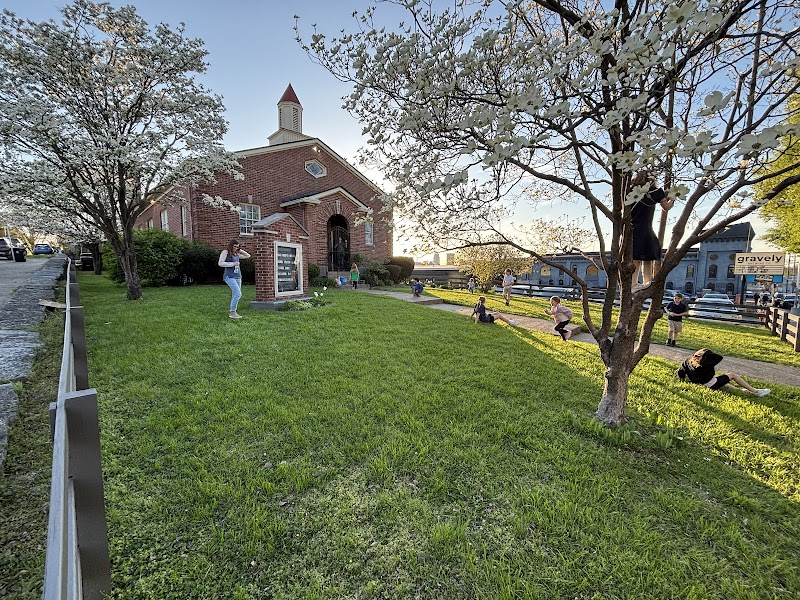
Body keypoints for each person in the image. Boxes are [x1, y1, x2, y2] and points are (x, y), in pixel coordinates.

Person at [629, 171, 674, 291]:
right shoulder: (655, 191)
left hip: (632, 227)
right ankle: (645, 282)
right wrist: (673, 197)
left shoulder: (630, 191)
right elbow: (667, 207)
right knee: (646, 256)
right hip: (646, 227)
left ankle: (636, 283)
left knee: (638, 257)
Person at [677, 348, 770, 396]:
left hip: (698, 382)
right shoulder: (706, 365)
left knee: (721, 380)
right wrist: (705, 355)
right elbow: (719, 357)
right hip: (709, 384)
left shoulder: (688, 360)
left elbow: (681, 371)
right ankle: (756, 391)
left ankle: (739, 390)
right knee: (732, 375)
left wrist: (682, 380)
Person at [218, 239, 250, 319]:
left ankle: (233, 311)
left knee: (235, 294)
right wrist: (233, 264)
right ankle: (232, 312)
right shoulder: (225, 252)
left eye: (237, 247)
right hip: (229, 276)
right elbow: (220, 263)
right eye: (234, 246)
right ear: (231, 245)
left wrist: (239, 250)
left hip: (238, 276)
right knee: (238, 294)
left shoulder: (237, 254)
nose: (235, 248)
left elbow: (248, 255)